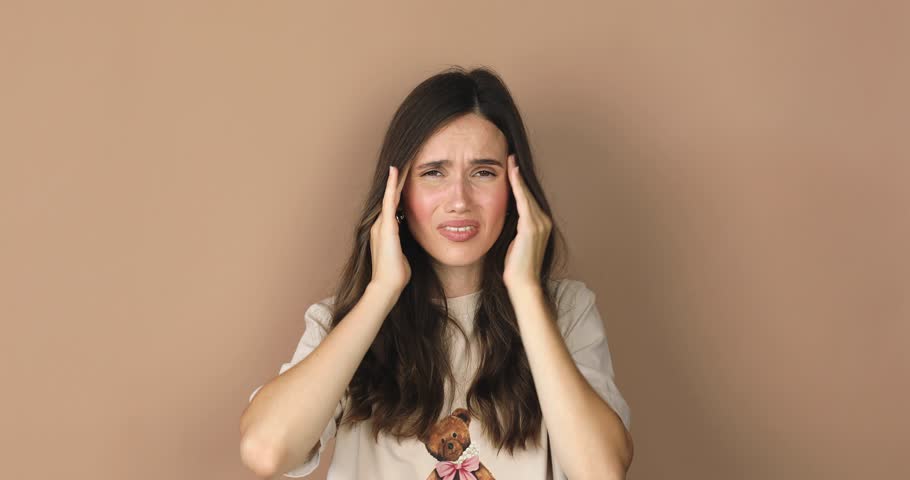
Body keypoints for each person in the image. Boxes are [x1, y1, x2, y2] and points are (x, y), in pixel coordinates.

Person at [239, 66, 633, 479]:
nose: (459, 200)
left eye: (483, 172)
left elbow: (602, 473)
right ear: (398, 194)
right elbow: (266, 451)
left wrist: (525, 291)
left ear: (516, 193)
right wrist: (381, 291)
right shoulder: (343, 321)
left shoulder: (567, 311)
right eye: (433, 173)